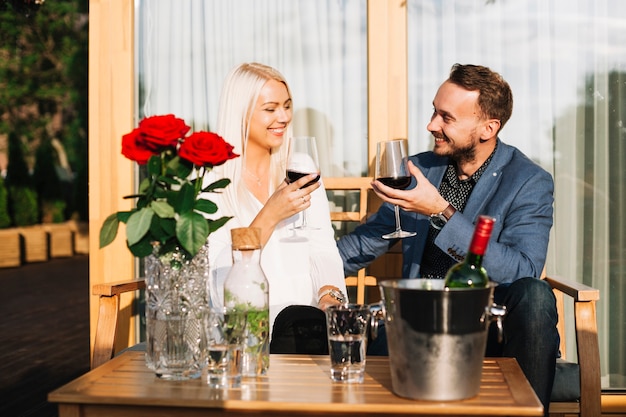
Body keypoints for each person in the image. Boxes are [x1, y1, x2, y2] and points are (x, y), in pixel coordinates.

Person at [337, 63, 559, 415]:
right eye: (433, 112)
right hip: (414, 322)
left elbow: (523, 269)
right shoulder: (420, 170)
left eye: (446, 117)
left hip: (483, 328)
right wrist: (293, 266)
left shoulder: (528, 181)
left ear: (488, 128)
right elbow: (364, 244)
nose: (431, 125)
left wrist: (440, 210)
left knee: (535, 296)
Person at [204, 62, 347, 354]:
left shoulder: (300, 168)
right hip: (244, 332)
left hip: (307, 329)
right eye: (270, 109)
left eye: (287, 106)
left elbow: (322, 248)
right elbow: (218, 283)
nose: (283, 117)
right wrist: (270, 215)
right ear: (240, 113)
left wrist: (329, 295)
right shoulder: (211, 182)